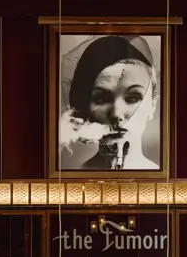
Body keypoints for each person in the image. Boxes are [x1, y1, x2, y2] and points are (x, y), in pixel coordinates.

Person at [61, 35, 159, 170]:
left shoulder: (166, 185)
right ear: (85, 108)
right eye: (101, 99)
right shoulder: (73, 185)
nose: (116, 114)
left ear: (152, 106)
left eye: (133, 98)